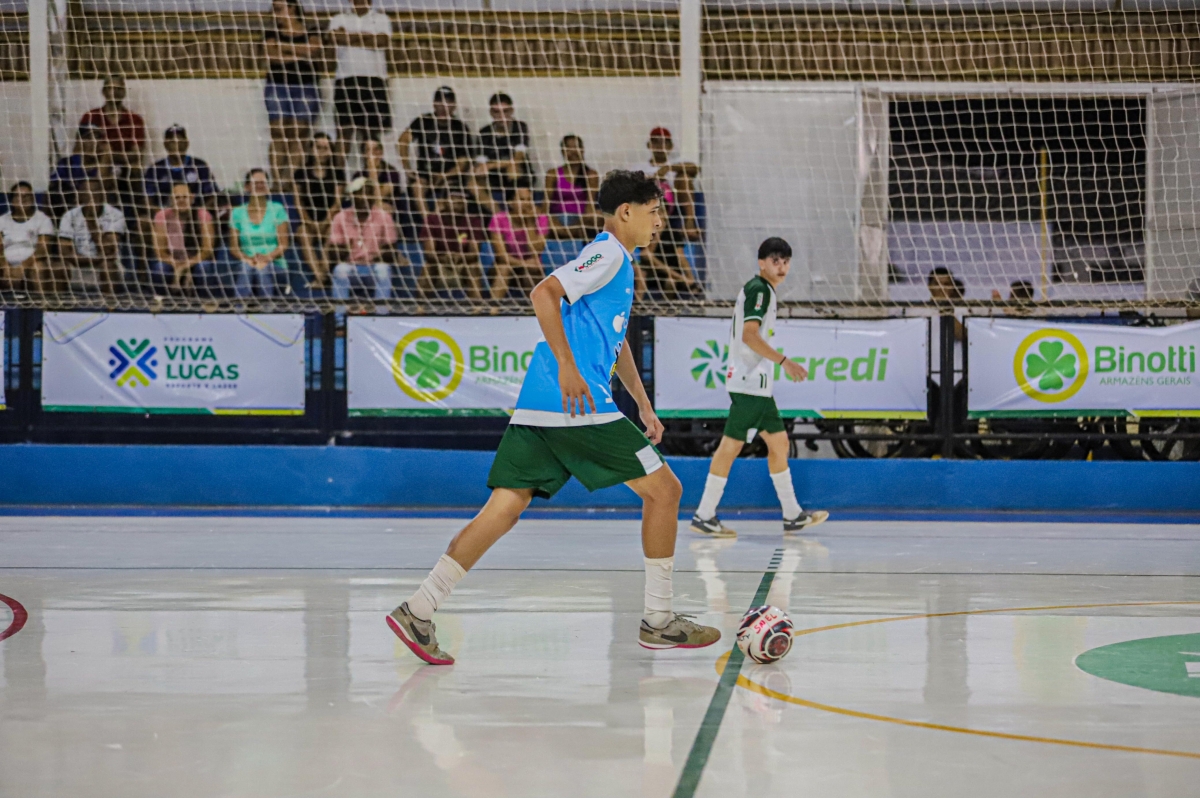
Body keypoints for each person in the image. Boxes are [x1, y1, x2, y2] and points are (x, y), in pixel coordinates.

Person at [387, 169, 720, 665]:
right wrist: (568, 365)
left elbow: (616, 341)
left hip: (539, 404)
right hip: (578, 406)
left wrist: (643, 402)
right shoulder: (608, 253)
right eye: (654, 212)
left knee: (503, 509)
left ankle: (418, 609)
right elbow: (543, 292)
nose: (660, 222)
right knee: (665, 491)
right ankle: (658, 619)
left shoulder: (617, 263)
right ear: (625, 212)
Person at [691, 237, 829, 539]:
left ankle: (792, 515)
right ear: (761, 263)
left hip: (758, 385)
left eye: (786, 261)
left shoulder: (763, 290)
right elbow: (749, 335)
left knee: (779, 444)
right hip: (749, 382)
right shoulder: (759, 290)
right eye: (775, 261)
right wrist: (785, 362)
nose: (781, 267)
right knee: (730, 446)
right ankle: (704, 514)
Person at [263, 0, 323, 189]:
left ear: (292, 7)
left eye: (278, 9)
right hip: (278, 84)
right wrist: (299, 52)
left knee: (300, 132)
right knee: (279, 132)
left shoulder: (311, 30)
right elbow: (273, 56)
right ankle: (276, 182)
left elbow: (313, 51)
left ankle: (290, 180)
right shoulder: (272, 32)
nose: (275, 13)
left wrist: (284, 48)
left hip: (305, 85)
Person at [328, 0, 392, 158]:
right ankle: (339, 174)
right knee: (344, 133)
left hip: (374, 80)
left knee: (371, 134)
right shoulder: (338, 18)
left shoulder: (381, 19)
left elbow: (381, 41)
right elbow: (335, 38)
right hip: (346, 79)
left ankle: (370, 172)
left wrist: (349, 36)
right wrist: (366, 36)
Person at [398, 86, 476, 213]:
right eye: (440, 102)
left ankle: (439, 220)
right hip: (426, 175)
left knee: (451, 197)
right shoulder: (424, 121)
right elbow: (403, 140)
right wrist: (407, 168)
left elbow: (463, 163)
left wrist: (444, 176)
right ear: (434, 104)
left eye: (448, 102)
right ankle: (427, 220)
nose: (443, 107)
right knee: (417, 187)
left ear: (454, 105)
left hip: (450, 177)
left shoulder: (460, 128)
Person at [327, 176, 398, 302]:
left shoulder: (384, 217)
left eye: (369, 193)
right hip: (350, 267)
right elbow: (333, 253)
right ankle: (340, 313)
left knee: (383, 270)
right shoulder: (340, 217)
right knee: (340, 270)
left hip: (373, 267)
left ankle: (381, 312)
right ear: (353, 196)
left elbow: (392, 252)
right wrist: (345, 251)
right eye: (361, 193)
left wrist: (375, 257)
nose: (365, 198)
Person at [58, 177, 127, 296]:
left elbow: (109, 250)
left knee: (108, 266)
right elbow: (65, 253)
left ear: (103, 195)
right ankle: (59, 305)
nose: (92, 196)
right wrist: (94, 260)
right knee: (58, 267)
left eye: (96, 192)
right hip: (77, 266)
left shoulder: (116, 215)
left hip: (105, 266)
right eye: (87, 193)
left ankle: (109, 305)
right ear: (80, 196)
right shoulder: (69, 216)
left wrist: (91, 221)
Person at [230, 169, 291, 298]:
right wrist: (248, 259)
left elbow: (283, 245)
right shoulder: (237, 212)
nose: (259, 185)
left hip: (275, 264)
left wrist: (266, 258)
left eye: (263, 182)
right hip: (247, 263)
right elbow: (234, 248)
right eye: (255, 183)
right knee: (246, 268)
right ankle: (240, 307)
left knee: (262, 269)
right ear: (247, 187)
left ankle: (267, 307)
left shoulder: (277, 208)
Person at [632, 126, 701, 240]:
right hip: (648, 206)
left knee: (684, 178)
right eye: (656, 141)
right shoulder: (639, 167)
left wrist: (668, 168)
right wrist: (653, 179)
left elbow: (695, 168)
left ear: (670, 146)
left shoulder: (676, 164)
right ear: (649, 145)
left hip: (673, 208)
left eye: (664, 142)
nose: (660, 145)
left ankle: (689, 223)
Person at [293, 132, 343, 287]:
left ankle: (321, 277)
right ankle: (321, 277)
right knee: (302, 233)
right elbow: (298, 202)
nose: (322, 151)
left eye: (326, 148)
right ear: (311, 149)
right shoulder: (301, 173)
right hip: (308, 222)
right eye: (318, 147)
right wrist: (309, 222)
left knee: (333, 232)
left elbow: (337, 203)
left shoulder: (337, 173)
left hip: (329, 221)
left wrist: (325, 222)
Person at [150, 181, 216, 298]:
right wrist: (176, 265)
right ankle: (162, 300)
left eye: (185, 197)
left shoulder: (203, 215)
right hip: (171, 260)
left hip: (197, 260)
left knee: (204, 267)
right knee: (160, 268)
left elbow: (207, 250)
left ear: (192, 198)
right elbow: (160, 252)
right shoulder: (162, 216)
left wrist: (185, 266)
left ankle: (204, 300)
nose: (181, 200)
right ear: (171, 200)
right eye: (177, 197)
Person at [419, 190, 486, 300]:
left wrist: (460, 257)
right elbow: (429, 253)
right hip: (439, 264)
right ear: (444, 202)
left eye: (461, 200)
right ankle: (420, 308)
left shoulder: (474, 221)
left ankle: (476, 308)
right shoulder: (432, 220)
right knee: (428, 267)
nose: (457, 202)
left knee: (473, 267)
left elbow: (474, 253)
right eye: (453, 199)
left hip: (463, 265)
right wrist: (444, 258)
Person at [488, 186, 548, 301]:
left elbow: (536, 251)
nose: (527, 203)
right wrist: (524, 263)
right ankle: (493, 308)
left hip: (532, 268)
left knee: (530, 273)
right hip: (506, 265)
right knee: (504, 268)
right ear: (510, 202)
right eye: (522, 199)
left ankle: (532, 309)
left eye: (529, 199)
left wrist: (530, 222)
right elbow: (501, 256)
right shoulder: (499, 219)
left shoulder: (540, 218)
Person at [143, 125, 220, 210]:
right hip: (165, 213)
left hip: (196, 213)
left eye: (180, 141)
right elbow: (148, 199)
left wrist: (199, 213)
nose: (177, 145)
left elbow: (213, 196)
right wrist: (162, 215)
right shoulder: (155, 169)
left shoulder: (199, 165)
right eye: (172, 142)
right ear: (165, 144)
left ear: (187, 143)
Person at [78, 75, 145, 171]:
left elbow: (137, 154)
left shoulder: (135, 119)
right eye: (111, 88)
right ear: (103, 91)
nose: (115, 92)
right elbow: (79, 148)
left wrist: (109, 155)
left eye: (119, 88)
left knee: (136, 168)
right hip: (94, 166)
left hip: (124, 168)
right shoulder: (90, 116)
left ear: (124, 92)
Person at [0, 181, 55, 297]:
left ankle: (41, 304)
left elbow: (42, 249)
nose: (23, 199)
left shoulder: (43, 219)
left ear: (33, 198)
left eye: (27, 196)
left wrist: (22, 267)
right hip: (5, 262)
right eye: (18, 196)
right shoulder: (2, 220)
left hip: (32, 262)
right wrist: (5, 266)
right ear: (12, 200)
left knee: (38, 268)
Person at [543, 133, 600, 239]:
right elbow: (545, 205)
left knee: (598, 215)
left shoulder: (591, 174)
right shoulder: (552, 174)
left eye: (576, 148)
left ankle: (568, 233)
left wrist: (579, 224)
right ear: (562, 151)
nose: (573, 152)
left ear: (582, 150)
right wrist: (552, 221)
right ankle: (566, 233)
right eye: (569, 148)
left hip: (581, 220)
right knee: (541, 217)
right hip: (556, 220)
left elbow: (590, 206)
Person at [478, 92, 532, 194]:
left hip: (519, 174)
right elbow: (481, 162)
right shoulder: (484, 132)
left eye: (505, 111)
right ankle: (491, 205)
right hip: (493, 175)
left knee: (513, 168)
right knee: (474, 178)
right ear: (491, 112)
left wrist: (490, 166)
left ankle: (514, 202)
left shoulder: (519, 127)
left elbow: (517, 159)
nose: (501, 116)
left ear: (512, 111)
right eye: (497, 112)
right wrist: (483, 168)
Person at [636, 215, 699, 300]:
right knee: (642, 267)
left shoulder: (673, 234)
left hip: (671, 274)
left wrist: (690, 276)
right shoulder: (647, 234)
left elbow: (681, 257)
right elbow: (646, 255)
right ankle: (638, 303)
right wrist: (657, 236)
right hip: (652, 273)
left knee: (670, 282)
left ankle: (667, 305)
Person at [351, 136, 402, 210]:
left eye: (376, 149)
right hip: (364, 209)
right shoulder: (358, 176)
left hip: (387, 209)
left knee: (381, 208)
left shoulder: (391, 173)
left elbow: (378, 197)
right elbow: (359, 199)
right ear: (364, 155)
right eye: (368, 150)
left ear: (381, 152)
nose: (373, 153)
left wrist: (372, 170)